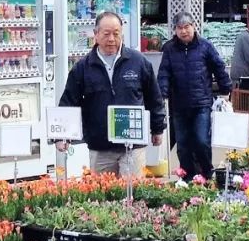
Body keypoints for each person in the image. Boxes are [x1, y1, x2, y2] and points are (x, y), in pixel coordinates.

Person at [56, 11, 165, 177]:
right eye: (106, 34)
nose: (111, 39)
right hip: (100, 145)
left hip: (133, 143)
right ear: (96, 34)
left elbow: (154, 97)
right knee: (103, 196)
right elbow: (69, 101)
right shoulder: (83, 67)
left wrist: (157, 129)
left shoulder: (138, 62)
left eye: (116, 33)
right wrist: (61, 135)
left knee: (132, 194)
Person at [158, 12, 232, 180]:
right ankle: (187, 175)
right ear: (175, 30)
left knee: (201, 141)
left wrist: (225, 89)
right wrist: (162, 94)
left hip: (202, 104)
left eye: (187, 27)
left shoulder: (205, 46)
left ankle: (206, 173)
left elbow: (219, 68)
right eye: (179, 28)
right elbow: (164, 74)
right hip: (179, 105)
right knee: (182, 144)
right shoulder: (169, 48)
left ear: (194, 26)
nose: (184, 31)